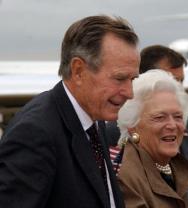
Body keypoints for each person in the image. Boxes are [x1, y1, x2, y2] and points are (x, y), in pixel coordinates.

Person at [0, 15, 140, 208]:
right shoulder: (35, 133)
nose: (129, 93)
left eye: (132, 79)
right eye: (119, 78)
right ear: (78, 71)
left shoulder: (94, 118)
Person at [106, 45, 188, 208]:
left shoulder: (170, 165)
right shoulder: (124, 178)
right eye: (159, 117)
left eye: (178, 117)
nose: (172, 125)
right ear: (132, 126)